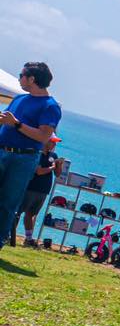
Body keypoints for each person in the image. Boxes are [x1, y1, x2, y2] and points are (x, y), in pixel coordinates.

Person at [0, 62, 61, 252]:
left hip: (23, 159)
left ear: (32, 79)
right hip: (2, 151)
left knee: (8, 203)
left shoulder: (50, 106)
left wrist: (16, 124)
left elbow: (43, 136)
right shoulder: (19, 98)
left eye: (22, 75)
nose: (19, 79)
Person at [13, 134, 58, 246]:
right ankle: (9, 235)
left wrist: (59, 165)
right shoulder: (37, 153)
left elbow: (57, 174)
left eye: (55, 142)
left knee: (31, 214)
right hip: (30, 188)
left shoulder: (53, 156)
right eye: (52, 141)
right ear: (46, 140)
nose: (54, 144)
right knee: (18, 212)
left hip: (43, 191)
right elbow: (39, 171)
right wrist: (53, 167)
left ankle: (28, 239)